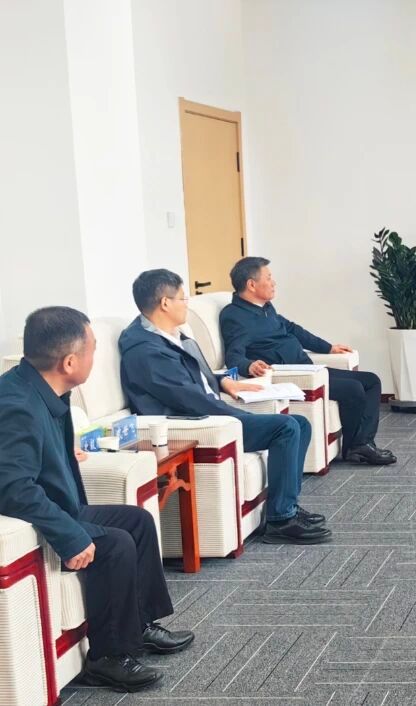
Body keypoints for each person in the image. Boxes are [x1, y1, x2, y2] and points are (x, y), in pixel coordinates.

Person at [0, 307, 194, 692]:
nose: (95, 357)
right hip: (41, 521)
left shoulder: (42, 387)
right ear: (70, 362)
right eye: (91, 349)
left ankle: (139, 625)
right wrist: (70, 536)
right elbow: (13, 488)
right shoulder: (18, 405)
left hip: (63, 506)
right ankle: (108, 658)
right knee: (116, 544)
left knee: (137, 521)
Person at [118, 269, 331, 545]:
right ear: (165, 303)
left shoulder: (170, 335)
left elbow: (193, 378)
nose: (187, 304)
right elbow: (189, 399)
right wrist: (236, 415)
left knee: (300, 424)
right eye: (183, 298)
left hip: (212, 411)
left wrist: (222, 382)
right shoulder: (146, 350)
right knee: (287, 428)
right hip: (200, 423)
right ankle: (281, 520)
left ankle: (286, 505)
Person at [220, 257, 395, 466]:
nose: (274, 282)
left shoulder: (265, 307)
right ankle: (358, 446)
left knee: (371, 381)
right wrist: (249, 366)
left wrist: (328, 347)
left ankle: (362, 443)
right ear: (251, 284)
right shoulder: (234, 316)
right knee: (354, 388)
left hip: (309, 369)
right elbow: (233, 356)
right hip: (292, 376)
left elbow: (292, 329)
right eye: (268, 278)